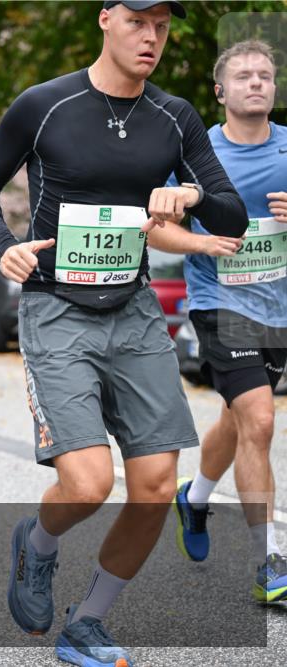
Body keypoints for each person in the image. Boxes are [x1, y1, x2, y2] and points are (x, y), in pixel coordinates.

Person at [0, 2, 248, 665]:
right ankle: (36, 546)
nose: (151, 37)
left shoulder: (173, 117)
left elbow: (230, 209)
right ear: (104, 19)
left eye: (162, 26)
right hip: (55, 305)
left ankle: (87, 621)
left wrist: (192, 196)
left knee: (152, 484)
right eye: (137, 21)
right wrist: (4, 243)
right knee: (88, 483)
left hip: (136, 309)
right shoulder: (45, 105)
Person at [147, 39, 287, 603]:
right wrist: (202, 241)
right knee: (260, 418)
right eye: (244, 75)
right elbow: (152, 229)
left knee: (238, 420)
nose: (256, 83)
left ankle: (196, 497)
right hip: (220, 304)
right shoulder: (196, 153)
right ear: (220, 91)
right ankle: (271, 560)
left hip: (278, 307)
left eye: (266, 75)